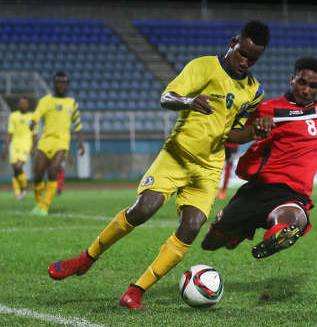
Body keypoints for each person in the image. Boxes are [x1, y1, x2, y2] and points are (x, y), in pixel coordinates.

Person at [47, 20, 272, 309]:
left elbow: (231, 132)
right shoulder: (203, 67)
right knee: (144, 209)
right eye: (243, 54)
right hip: (176, 155)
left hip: (208, 168)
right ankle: (85, 259)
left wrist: (252, 133)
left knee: (191, 227)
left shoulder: (253, 91)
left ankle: (136, 291)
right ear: (233, 43)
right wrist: (190, 102)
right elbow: (166, 97)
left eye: (253, 59)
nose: (245, 62)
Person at [201, 56, 317, 259]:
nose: (306, 90)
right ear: (292, 80)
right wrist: (255, 129)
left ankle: (279, 233)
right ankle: (243, 230)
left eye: (313, 86)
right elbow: (233, 130)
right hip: (259, 188)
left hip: (292, 192)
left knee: (295, 217)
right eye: (301, 82)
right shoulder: (267, 108)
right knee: (210, 243)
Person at [30, 71, 85, 216]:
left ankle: (45, 205)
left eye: (64, 82)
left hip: (62, 142)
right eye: (58, 82)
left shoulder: (71, 103)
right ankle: (38, 204)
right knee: (37, 174)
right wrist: (32, 123)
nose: (61, 85)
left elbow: (77, 124)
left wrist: (81, 143)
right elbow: (36, 116)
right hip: (46, 141)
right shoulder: (45, 101)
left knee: (53, 170)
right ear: (54, 84)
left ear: (67, 85)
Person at [1, 97, 37, 200]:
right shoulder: (13, 116)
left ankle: (24, 188)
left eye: (25, 103)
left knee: (18, 166)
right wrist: (5, 148)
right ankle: (18, 193)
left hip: (26, 144)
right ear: (18, 105)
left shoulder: (32, 117)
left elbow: (34, 135)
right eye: (21, 103)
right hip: (14, 145)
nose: (23, 105)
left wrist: (33, 147)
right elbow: (10, 133)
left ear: (28, 105)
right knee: (15, 170)